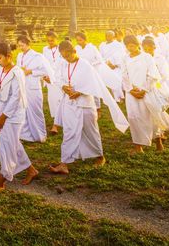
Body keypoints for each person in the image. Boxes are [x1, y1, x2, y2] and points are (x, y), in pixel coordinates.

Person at [49, 40, 129, 175]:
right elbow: (58, 77)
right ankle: (64, 163)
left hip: (85, 104)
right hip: (70, 103)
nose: (66, 58)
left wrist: (79, 92)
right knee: (69, 132)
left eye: (68, 55)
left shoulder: (85, 65)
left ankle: (100, 156)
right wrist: (63, 86)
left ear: (74, 51)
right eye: (63, 56)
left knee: (91, 132)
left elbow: (94, 83)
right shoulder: (64, 64)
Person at [0, 42, 38, 191]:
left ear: (9, 56)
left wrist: (4, 117)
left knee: (6, 145)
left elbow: (16, 97)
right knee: (13, 143)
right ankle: (31, 170)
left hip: (14, 115)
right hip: (1, 112)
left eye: (0, 58)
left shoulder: (17, 72)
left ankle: (3, 178)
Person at [120, 36, 169, 153]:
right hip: (132, 94)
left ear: (137, 44)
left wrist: (143, 89)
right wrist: (130, 89)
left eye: (132, 45)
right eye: (127, 46)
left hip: (147, 92)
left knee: (151, 116)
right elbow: (124, 75)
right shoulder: (125, 58)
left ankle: (158, 142)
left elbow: (153, 75)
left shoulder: (147, 57)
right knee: (134, 118)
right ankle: (138, 146)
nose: (130, 48)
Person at [16, 35, 54, 142]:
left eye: (22, 45)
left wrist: (31, 71)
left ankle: (40, 135)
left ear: (28, 44)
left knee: (35, 110)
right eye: (19, 45)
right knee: (24, 110)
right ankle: (25, 135)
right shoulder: (19, 55)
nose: (20, 48)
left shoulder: (38, 56)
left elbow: (46, 71)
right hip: (22, 86)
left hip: (33, 86)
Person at [42, 31, 63, 135]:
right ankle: (58, 120)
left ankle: (56, 125)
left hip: (60, 79)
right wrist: (46, 76)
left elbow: (63, 65)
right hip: (49, 79)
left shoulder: (61, 49)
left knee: (60, 100)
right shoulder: (45, 50)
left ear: (56, 39)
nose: (50, 42)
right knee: (52, 101)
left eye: (52, 40)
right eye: (48, 40)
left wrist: (54, 78)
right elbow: (44, 64)